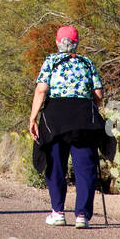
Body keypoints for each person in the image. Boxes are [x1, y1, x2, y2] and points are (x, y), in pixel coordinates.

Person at [28, 25, 105, 228]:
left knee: (55, 165)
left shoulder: (51, 61)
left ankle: (58, 212)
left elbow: (41, 90)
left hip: (56, 118)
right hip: (83, 118)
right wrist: (94, 106)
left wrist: (33, 117)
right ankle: (82, 216)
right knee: (85, 167)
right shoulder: (87, 63)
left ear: (57, 42)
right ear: (77, 43)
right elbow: (98, 94)